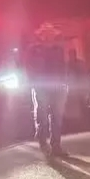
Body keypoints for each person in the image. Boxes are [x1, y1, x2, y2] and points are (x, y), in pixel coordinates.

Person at [24, 22, 69, 157]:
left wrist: (64, 83)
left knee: (57, 117)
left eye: (50, 33)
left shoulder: (58, 49)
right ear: (41, 35)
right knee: (42, 115)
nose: (48, 36)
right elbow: (28, 67)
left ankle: (56, 145)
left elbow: (63, 67)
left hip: (57, 86)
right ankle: (43, 143)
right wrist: (33, 82)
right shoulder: (33, 49)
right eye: (46, 33)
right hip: (41, 86)